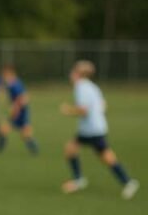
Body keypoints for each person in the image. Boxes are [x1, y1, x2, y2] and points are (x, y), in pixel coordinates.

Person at [59, 60, 139, 199]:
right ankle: (79, 180)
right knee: (71, 148)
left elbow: (83, 110)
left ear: (78, 73)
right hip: (93, 128)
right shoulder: (92, 86)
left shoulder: (81, 87)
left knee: (106, 156)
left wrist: (68, 110)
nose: (71, 74)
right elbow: (103, 105)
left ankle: (128, 182)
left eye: (73, 71)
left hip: (92, 130)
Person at [0, 64, 38, 155]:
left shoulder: (16, 84)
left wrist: (16, 108)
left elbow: (23, 98)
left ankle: (35, 150)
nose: (3, 76)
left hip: (21, 112)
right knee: (4, 130)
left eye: (4, 74)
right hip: (19, 111)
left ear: (10, 74)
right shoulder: (12, 83)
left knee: (24, 134)